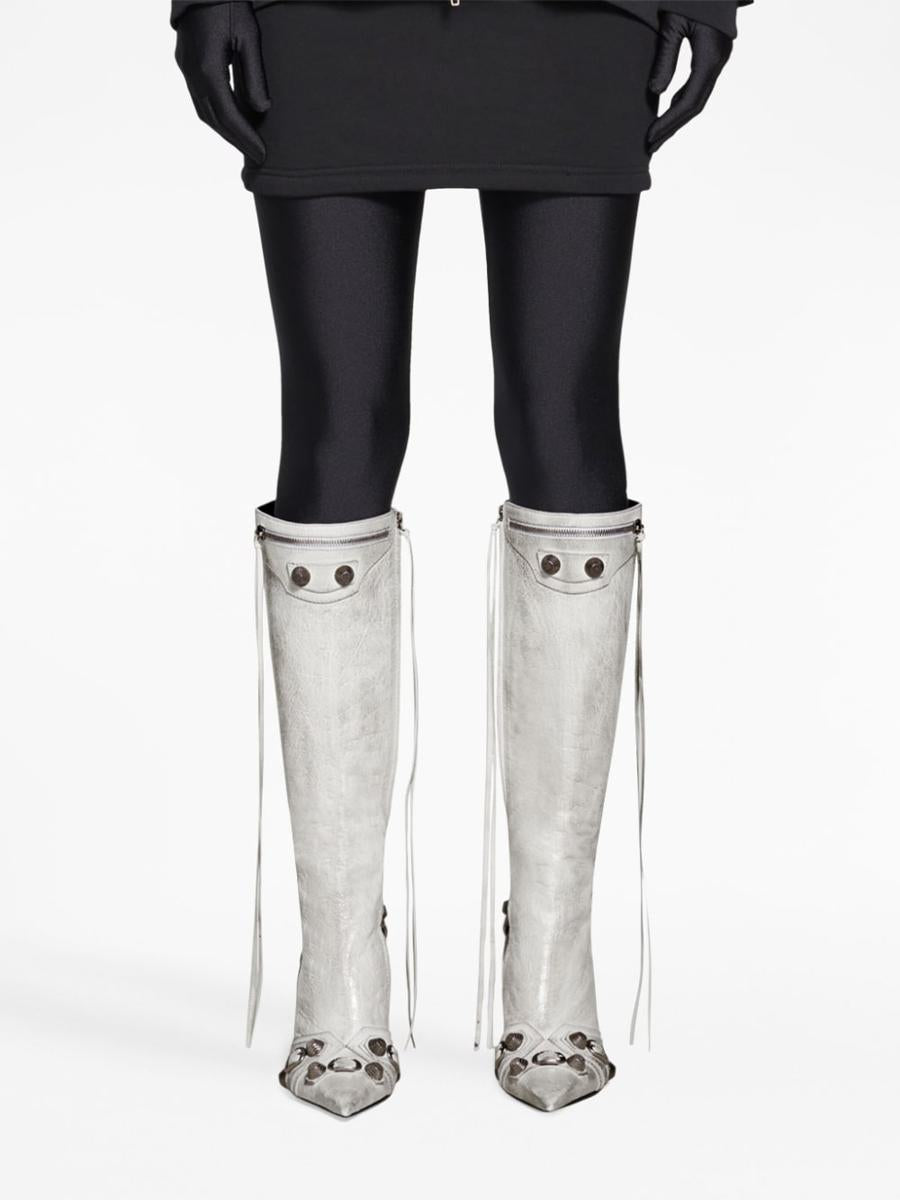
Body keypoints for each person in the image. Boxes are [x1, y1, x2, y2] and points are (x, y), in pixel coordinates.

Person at [173, 0, 750, 1117]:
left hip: (576, 22)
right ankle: (340, 965)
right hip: (325, 21)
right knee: (334, 431)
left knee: (565, 420)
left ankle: (552, 960)